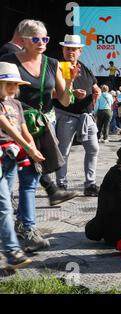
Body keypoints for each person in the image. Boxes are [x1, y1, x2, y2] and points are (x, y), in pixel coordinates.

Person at [0, 20, 78, 251]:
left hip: (40, 128)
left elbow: (65, 101)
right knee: (9, 180)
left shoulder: (52, 64)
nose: (42, 43)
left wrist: (71, 79)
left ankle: (28, 228)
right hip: (10, 127)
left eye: (45, 39)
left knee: (30, 180)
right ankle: (16, 226)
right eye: (36, 39)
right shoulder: (8, 62)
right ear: (22, 40)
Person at [0, 62, 45, 267]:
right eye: (8, 83)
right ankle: (12, 252)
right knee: (4, 205)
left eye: (15, 83)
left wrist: (33, 150)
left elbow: (24, 129)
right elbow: (8, 127)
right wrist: (28, 147)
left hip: (12, 158)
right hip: (3, 153)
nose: (13, 87)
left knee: (5, 202)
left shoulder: (16, 104)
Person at [53, 34, 101, 197]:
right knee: (63, 151)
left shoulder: (84, 67)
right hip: (66, 115)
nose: (71, 52)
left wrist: (97, 89)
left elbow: (94, 84)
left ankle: (90, 184)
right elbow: (52, 91)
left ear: (80, 51)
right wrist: (72, 92)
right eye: (68, 49)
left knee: (93, 148)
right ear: (63, 50)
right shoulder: (58, 67)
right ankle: (61, 184)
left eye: (74, 49)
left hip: (86, 116)